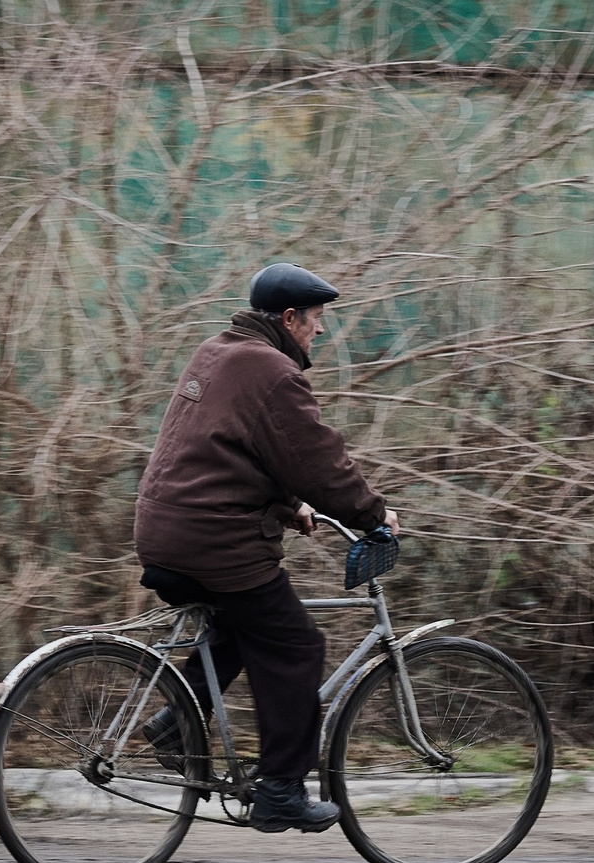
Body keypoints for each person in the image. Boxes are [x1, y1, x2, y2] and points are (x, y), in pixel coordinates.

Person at [133, 263, 399, 833]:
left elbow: (225, 454)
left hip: (165, 526)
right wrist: (374, 515)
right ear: (289, 317)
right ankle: (281, 790)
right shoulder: (273, 371)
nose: (320, 330)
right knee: (297, 646)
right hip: (214, 538)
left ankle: (177, 721)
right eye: (316, 319)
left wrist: (287, 506)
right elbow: (318, 463)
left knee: (242, 623)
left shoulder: (218, 352)